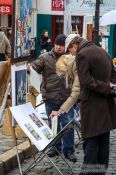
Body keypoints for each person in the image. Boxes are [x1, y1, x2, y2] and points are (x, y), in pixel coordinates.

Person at [65, 34, 116, 174]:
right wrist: (110, 86)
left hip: (92, 106)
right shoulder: (103, 51)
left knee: (91, 143)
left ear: (74, 45)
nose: (71, 53)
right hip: (106, 105)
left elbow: (86, 81)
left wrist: (106, 87)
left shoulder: (82, 54)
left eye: (70, 50)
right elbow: (113, 74)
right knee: (104, 142)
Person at [27, 34, 80, 162]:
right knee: (53, 124)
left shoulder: (70, 58)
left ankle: (69, 150)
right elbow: (35, 68)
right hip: (50, 96)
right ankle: (55, 147)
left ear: (65, 46)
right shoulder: (44, 57)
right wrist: (30, 69)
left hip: (66, 97)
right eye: (57, 44)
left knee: (67, 124)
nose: (58, 47)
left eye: (61, 45)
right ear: (54, 44)